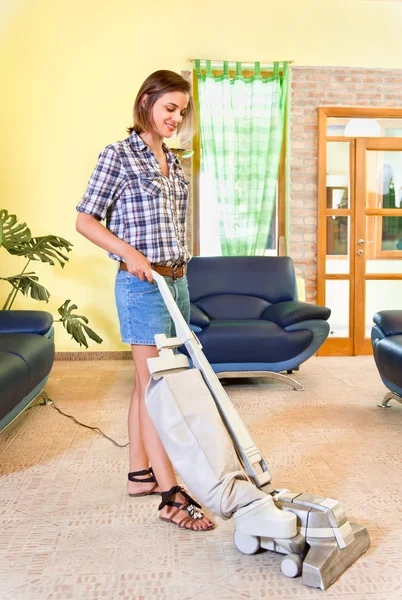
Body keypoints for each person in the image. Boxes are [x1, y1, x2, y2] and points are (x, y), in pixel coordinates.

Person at [76, 70, 214, 531]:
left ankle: (140, 473)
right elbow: (85, 220)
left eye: (182, 110)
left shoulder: (174, 164)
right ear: (146, 103)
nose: (177, 118)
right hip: (142, 285)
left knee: (146, 382)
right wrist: (131, 253)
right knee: (160, 388)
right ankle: (171, 494)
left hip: (177, 281)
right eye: (170, 108)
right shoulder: (117, 155)